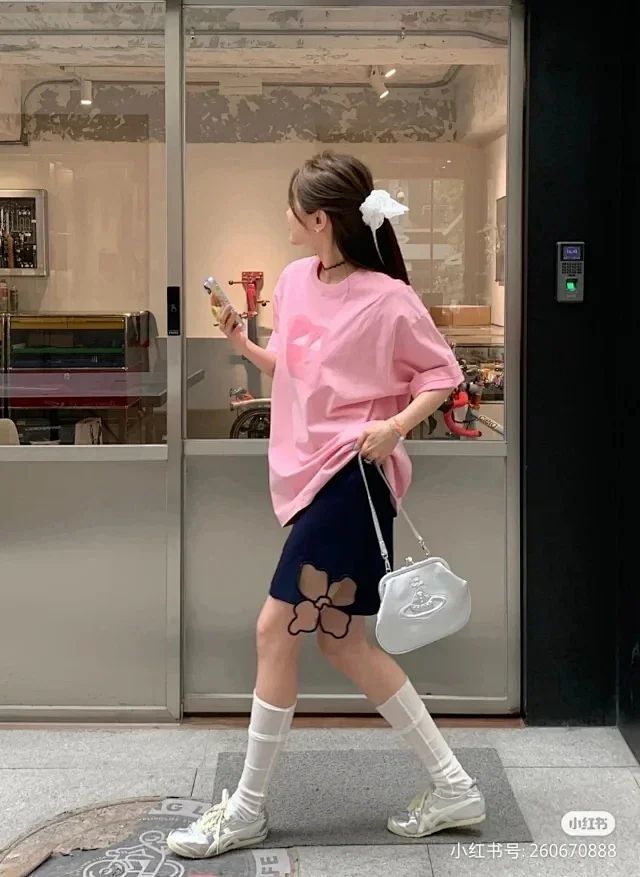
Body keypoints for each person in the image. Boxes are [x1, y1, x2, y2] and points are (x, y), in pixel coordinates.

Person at [167, 151, 486, 859]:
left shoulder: (389, 298)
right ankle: (455, 785)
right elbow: (296, 368)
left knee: (274, 630)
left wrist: (394, 426)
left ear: (319, 219)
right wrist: (244, 342)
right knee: (343, 643)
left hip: (352, 478)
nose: (285, 216)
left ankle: (247, 808)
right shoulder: (292, 282)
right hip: (310, 478)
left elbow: (443, 375)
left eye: (293, 207)